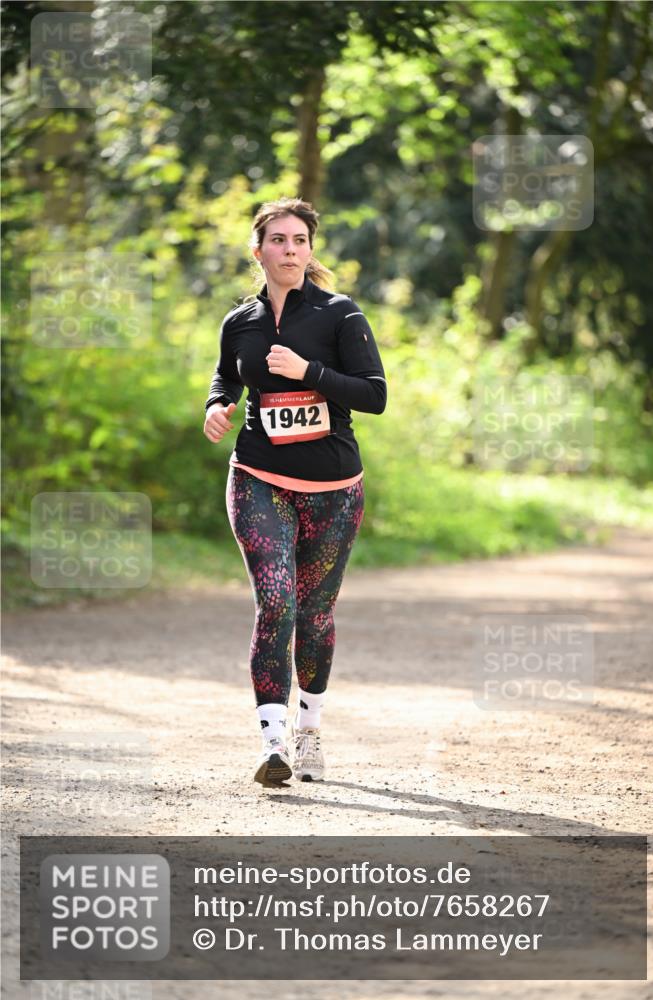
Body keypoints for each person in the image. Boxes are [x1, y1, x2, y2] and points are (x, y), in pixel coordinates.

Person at [203, 197, 387, 787]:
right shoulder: (241, 322)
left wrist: (307, 372)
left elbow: (374, 394)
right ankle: (272, 742)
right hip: (258, 476)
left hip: (334, 487)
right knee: (276, 601)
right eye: (278, 240)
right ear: (258, 251)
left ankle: (309, 732)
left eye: (299, 240)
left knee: (315, 613)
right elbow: (226, 375)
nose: (289, 250)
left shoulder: (340, 315)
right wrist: (217, 406)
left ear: (311, 250)